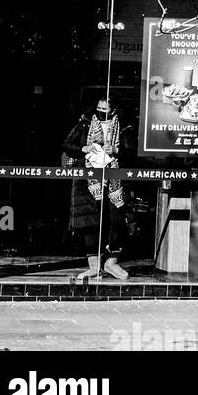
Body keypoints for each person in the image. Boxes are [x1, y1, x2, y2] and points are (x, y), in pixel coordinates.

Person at [63, 98, 130, 281]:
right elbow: (68, 144)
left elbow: (131, 149)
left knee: (117, 218)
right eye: (99, 109)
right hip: (89, 180)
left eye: (106, 110)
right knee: (91, 221)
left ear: (114, 109)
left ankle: (111, 263)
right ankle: (94, 266)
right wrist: (85, 147)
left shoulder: (123, 124)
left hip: (114, 177)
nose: (102, 113)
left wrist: (115, 149)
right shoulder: (85, 121)